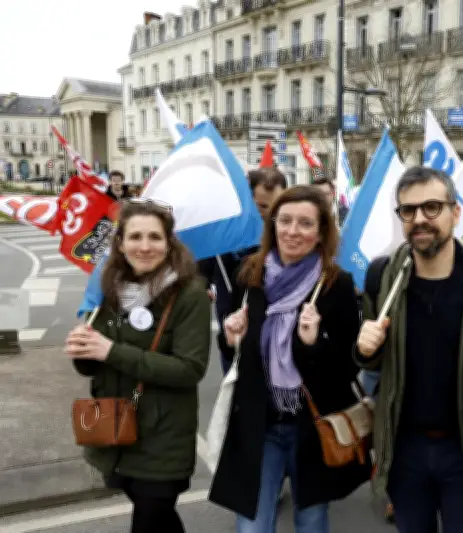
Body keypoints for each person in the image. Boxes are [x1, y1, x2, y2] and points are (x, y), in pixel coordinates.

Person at [355, 166, 463, 533]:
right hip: (406, 449)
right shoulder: (385, 276)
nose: (420, 219)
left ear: (455, 213)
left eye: (432, 207)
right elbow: (377, 361)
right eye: (408, 210)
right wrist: (365, 351)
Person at [208, 185, 371, 533]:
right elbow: (234, 351)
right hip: (258, 423)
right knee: (252, 525)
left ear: (321, 232)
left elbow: (348, 366)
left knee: (310, 520)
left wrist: (314, 344)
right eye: (285, 221)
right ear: (272, 225)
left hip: (311, 425)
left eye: (305, 223)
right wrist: (230, 338)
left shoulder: (335, 284)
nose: (293, 231)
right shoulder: (250, 274)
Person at [65, 199, 211, 533]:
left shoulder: (189, 293)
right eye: (135, 237)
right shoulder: (109, 286)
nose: (144, 247)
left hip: (162, 437)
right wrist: (83, 350)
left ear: (169, 242)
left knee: (149, 519)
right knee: (159, 522)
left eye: (155, 237)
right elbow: (94, 366)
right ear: (120, 243)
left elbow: (190, 369)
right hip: (116, 431)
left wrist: (111, 350)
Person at [198, 168, 288, 373]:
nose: (272, 213)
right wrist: (203, 284)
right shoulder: (227, 231)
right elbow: (205, 261)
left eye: (278, 205)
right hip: (234, 319)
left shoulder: (288, 232)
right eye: (264, 206)